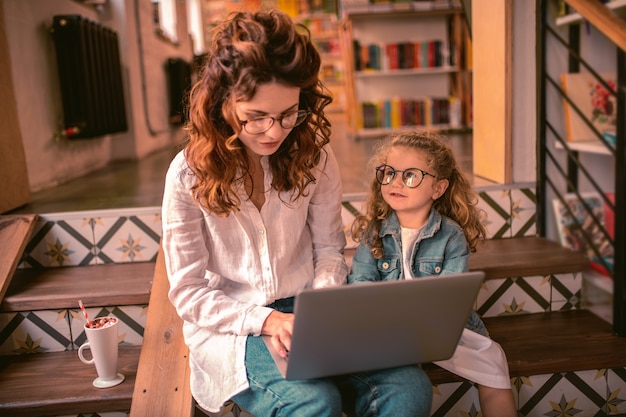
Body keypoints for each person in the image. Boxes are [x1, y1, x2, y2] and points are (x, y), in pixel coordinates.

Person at [161, 10, 432, 417]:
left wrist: (320, 311)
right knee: (313, 401)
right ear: (222, 104)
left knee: (409, 388)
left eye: (289, 113)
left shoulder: (314, 156)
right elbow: (189, 292)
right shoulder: (187, 175)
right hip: (235, 325)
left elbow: (328, 251)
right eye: (256, 118)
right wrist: (268, 322)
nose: (275, 131)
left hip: (309, 312)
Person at [349, 131, 517, 417]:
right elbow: (360, 283)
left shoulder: (450, 235)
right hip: (389, 326)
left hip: (442, 328)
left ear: (438, 188)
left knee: (494, 362)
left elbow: (450, 296)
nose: (396, 182)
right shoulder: (374, 232)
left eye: (411, 175)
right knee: (397, 366)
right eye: (389, 173)